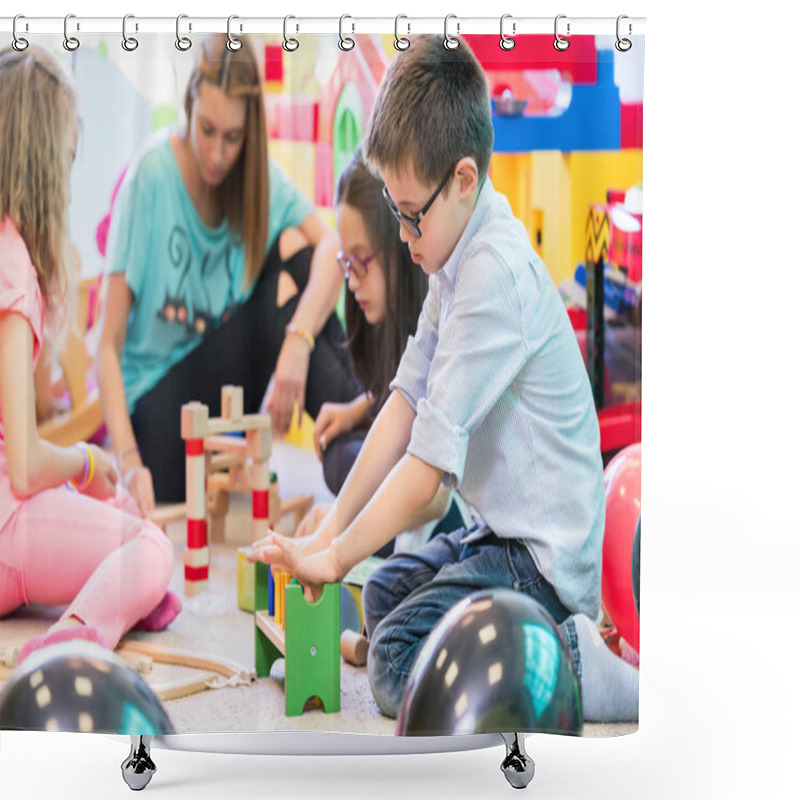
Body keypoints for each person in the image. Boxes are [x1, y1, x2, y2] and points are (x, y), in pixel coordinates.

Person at [248, 35, 638, 723]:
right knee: (382, 597)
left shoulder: (492, 273)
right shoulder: (453, 252)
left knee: (397, 663)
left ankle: (574, 657)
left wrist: (335, 556)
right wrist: (328, 535)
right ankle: (523, 634)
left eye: (407, 214)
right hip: (500, 536)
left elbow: (428, 482)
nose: (402, 236)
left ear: (462, 179)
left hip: (541, 564)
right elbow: (402, 405)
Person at [97, 33, 357, 510]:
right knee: (286, 271)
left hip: (220, 419)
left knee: (298, 253)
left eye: (232, 137)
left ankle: (358, 444)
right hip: (156, 427)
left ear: (249, 131)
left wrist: (297, 345)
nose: (217, 154)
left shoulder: (256, 181)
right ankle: (363, 449)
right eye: (207, 130)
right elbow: (106, 347)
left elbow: (333, 249)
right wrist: (129, 463)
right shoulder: (151, 175)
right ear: (188, 105)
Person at [0, 45, 179, 667]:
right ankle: (72, 641)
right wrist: (82, 460)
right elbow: (22, 467)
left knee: (113, 503)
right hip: (5, 535)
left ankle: (117, 593)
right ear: (45, 164)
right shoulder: (14, 265)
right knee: (150, 547)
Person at [298, 146, 466, 557]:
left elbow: (435, 493)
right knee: (342, 456)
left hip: (450, 514)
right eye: (345, 261)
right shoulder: (387, 320)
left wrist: (341, 523)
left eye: (361, 261)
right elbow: (399, 394)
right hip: (421, 500)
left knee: (355, 470)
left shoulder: (442, 312)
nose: (351, 281)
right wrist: (360, 408)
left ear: (399, 248)